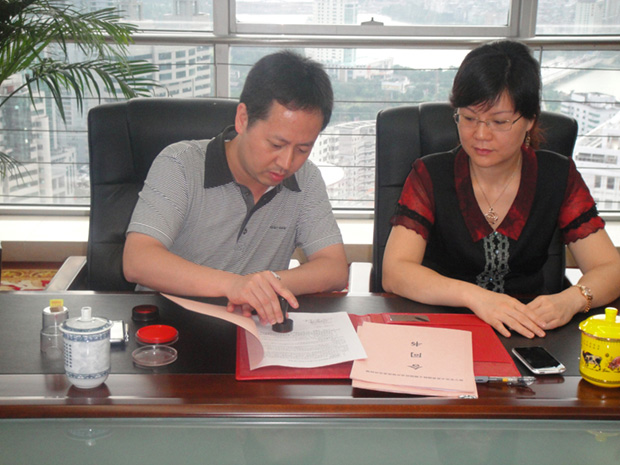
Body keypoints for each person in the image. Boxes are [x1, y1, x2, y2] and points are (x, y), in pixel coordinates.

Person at [382, 40, 620, 339]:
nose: (481, 134)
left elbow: (610, 268)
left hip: (530, 331)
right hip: (443, 330)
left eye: (499, 121)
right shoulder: (430, 174)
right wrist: (475, 297)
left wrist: (572, 299)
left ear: (530, 120)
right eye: (469, 118)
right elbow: (395, 271)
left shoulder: (557, 176)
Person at [123, 50, 348, 326]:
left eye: (303, 149)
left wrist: (266, 283)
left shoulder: (307, 178)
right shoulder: (180, 164)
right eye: (276, 144)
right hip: (168, 327)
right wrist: (234, 285)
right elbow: (137, 260)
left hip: (250, 329)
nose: (287, 162)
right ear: (243, 119)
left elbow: (334, 268)